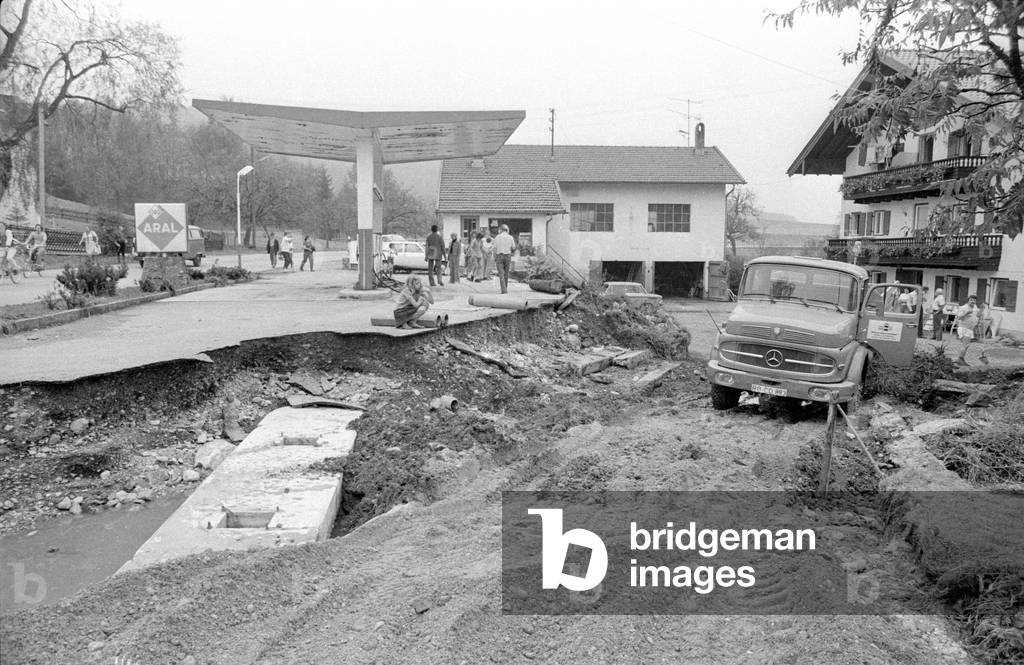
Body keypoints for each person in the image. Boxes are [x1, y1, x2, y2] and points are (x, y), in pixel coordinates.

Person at [953, 294, 988, 366]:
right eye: (971, 300)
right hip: (963, 328)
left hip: (970, 329)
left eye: (974, 300)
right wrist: (966, 313)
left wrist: (981, 309)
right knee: (965, 345)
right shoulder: (964, 307)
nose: (973, 301)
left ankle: (961, 359)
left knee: (966, 345)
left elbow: (978, 315)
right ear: (968, 300)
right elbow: (958, 317)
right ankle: (960, 359)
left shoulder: (975, 307)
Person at [492, 224, 515, 294]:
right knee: (506, 273)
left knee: (501, 274)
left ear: (501, 230)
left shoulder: (497, 237)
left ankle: (504, 289)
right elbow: (513, 247)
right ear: (507, 230)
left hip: (499, 256)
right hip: (508, 256)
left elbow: (494, 248)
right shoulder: (510, 237)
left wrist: (495, 257)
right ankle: (505, 288)